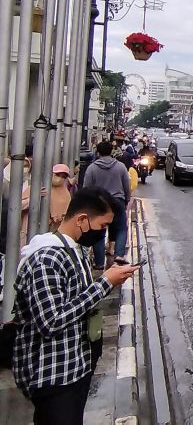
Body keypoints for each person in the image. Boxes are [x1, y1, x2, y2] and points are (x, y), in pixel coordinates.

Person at [12, 187, 139, 424]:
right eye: (101, 226)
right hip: (53, 375)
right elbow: (51, 321)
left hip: (73, 366)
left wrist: (108, 276)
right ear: (82, 219)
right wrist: (105, 283)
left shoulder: (73, 248)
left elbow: (74, 298)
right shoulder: (47, 259)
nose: (102, 234)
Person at [82, 141, 131, 269]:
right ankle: (119, 255)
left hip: (99, 202)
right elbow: (127, 185)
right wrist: (127, 199)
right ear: (111, 151)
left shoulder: (92, 168)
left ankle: (99, 263)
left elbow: (86, 187)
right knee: (121, 228)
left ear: (98, 152)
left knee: (98, 231)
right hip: (117, 200)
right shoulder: (120, 167)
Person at [49, 164, 72, 231]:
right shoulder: (40, 188)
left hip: (56, 229)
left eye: (63, 177)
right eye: (57, 175)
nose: (59, 179)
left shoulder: (65, 193)